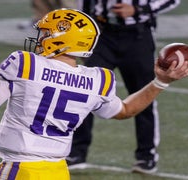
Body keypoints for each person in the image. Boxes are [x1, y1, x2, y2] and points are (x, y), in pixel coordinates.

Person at [0, 8, 188, 180]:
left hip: (21, 169)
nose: (40, 37)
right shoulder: (97, 79)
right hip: (59, 171)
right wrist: (160, 82)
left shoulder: (26, 64)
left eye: (46, 33)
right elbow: (126, 110)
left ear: (61, 39)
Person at [68, 0, 181, 174]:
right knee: (85, 90)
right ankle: (76, 152)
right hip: (103, 34)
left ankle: (146, 156)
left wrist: (138, 9)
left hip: (138, 35)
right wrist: (85, 37)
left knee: (145, 95)